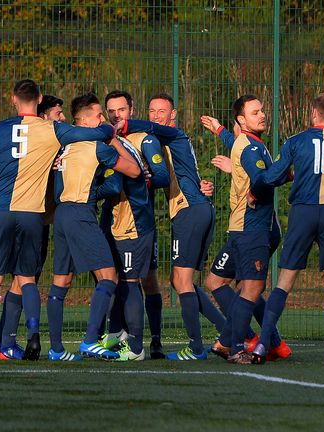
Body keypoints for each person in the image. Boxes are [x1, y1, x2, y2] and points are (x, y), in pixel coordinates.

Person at [0, 79, 115, 361]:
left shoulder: (1, 128)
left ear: (14, 98)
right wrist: (108, 127)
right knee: (27, 279)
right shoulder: (52, 130)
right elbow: (88, 135)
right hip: (31, 213)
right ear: (40, 99)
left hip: (1, 209)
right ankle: (35, 337)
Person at [248, 92, 324, 367]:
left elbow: (273, 176)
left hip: (303, 212)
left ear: (313, 113)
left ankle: (262, 343)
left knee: (285, 280)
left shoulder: (296, 142)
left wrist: (254, 188)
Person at [117, 93, 220, 361]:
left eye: (162, 111)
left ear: (173, 115)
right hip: (197, 209)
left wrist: (120, 126)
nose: (155, 116)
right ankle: (229, 332)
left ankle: (197, 348)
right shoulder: (165, 143)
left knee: (181, 280)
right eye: (152, 111)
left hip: (189, 211)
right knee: (181, 280)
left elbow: (150, 131)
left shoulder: (172, 135)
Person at [47, 93, 141, 361]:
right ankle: (89, 341)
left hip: (62, 214)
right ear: (85, 119)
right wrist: (113, 140)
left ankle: (55, 349)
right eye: (99, 115)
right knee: (109, 277)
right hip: (80, 212)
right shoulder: (96, 146)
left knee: (61, 281)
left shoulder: (64, 147)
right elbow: (134, 170)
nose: (103, 119)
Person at [199, 111, 291, 362]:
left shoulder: (252, 146)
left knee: (249, 287)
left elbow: (261, 178)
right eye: (256, 112)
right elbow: (238, 146)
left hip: (253, 228)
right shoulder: (246, 144)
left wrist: (255, 190)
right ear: (241, 121)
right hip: (242, 228)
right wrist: (219, 130)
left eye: (262, 110)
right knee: (216, 282)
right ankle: (258, 340)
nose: (263, 114)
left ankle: (234, 341)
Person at [0, 94, 65, 360]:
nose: (62, 119)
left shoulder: (53, 144)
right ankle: (7, 339)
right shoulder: (42, 142)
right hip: (30, 217)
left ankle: (0, 338)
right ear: (44, 118)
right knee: (24, 279)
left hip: (40, 220)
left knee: (23, 280)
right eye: (58, 114)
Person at [100, 90, 170, 359]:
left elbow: (162, 176)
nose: (116, 115)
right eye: (111, 111)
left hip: (137, 220)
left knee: (146, 280)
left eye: (121, 110)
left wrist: (140, 176)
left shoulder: (145, 139)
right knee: (115, 278)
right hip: (112, 218)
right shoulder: (106, 139)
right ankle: (118, 334)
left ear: (131, 109)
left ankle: (151, 341)